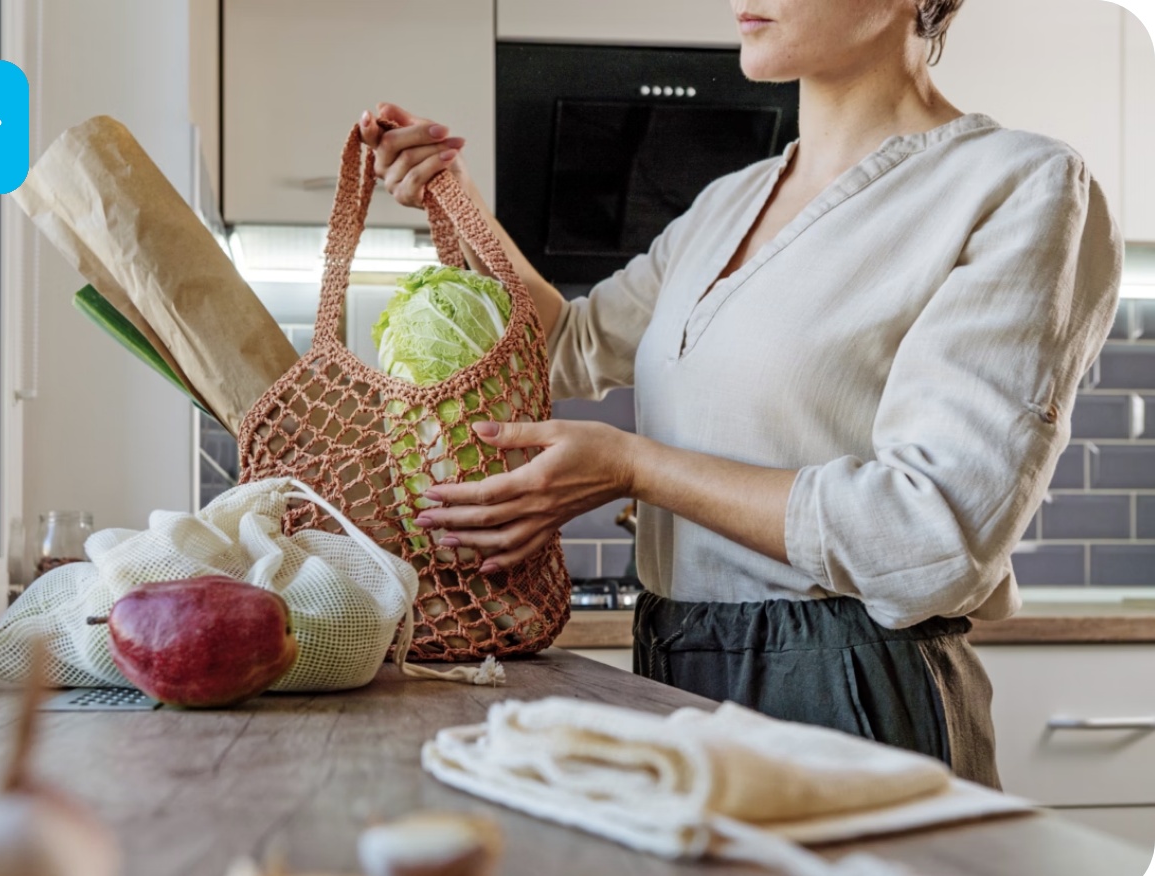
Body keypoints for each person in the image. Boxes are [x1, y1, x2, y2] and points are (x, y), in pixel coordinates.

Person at [359, 0, 1122, 788]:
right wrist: (461, 206)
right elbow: (568, 346)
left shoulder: (1018, 185)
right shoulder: (730, 201)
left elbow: (932, 539)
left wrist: (637, 469)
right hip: (673, 667)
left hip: (852, 690)